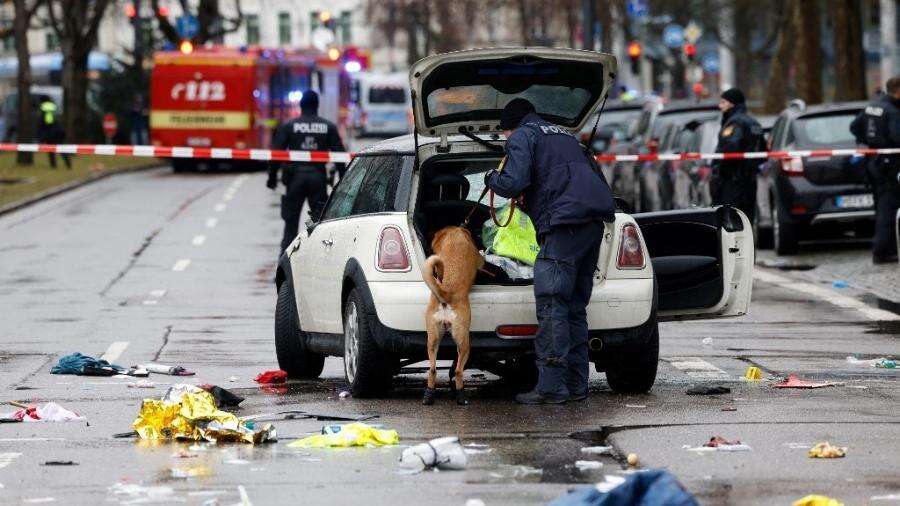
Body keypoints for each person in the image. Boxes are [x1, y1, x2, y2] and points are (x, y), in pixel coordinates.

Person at [484, 98, 616, 404]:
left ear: (510, 127)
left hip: (563, 225)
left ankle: (552, 388)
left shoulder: (522, 136)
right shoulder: (566, 135)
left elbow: (513, 182)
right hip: (591, 225)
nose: (506, 139)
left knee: (553, 304)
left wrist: (492, 177)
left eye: (505, 134)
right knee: (574, 307)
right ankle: (576, 386)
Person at [267, 90, 346, 253]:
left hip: (294, 179)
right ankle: (320, 256)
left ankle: (286, 262)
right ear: (317, 106)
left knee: (290, 223)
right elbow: (339, 154)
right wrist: (344, 179)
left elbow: (276, 154)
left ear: (301, 106)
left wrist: (272, 177)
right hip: (318, 179)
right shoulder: (328, 127)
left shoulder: (289, 126)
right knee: (320, 223)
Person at [850, 77, 900, 264]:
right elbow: (897, 137)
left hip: (874, 164)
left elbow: (854, 127)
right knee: (889, 209)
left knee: (881, 208)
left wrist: (872, 143)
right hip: (890, 166)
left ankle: (886, 249)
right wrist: (883, 143)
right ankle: (883, 251)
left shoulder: (872, 107)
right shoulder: (893, 111)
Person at [710, 88, 764, 223]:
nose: (720, 106)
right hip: (750, 180)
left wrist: (721, 171)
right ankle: (747, 244)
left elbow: (731, 150)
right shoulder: (754, 123)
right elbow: (763, 152)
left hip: (733, 181)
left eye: (723, 102)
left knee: (732, 221)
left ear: (732, 104)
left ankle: (734, 245)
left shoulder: (735, 123)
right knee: (747, 220)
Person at [37, 96, 71, 170]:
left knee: (51, 150)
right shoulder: (53, 106)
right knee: (61, 149)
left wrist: (42, 135)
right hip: (59, 130)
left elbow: (48, 122)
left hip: (51, 132)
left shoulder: (44, 108)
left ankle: (53, 166)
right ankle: (68, 164)